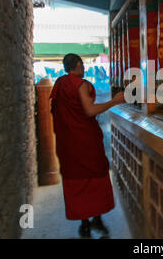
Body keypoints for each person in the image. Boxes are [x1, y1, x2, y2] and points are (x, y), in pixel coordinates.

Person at [50, 54, 125, 238]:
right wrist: (114, 101)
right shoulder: (81, 85)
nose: (83, 67)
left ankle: (84, 224)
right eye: (82, 64)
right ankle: (96, 219)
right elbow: (89, 110)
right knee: (95, 177)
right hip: (85, 141)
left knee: (77, 179)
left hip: (68, 142)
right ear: (78, 65)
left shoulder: (60, 84)